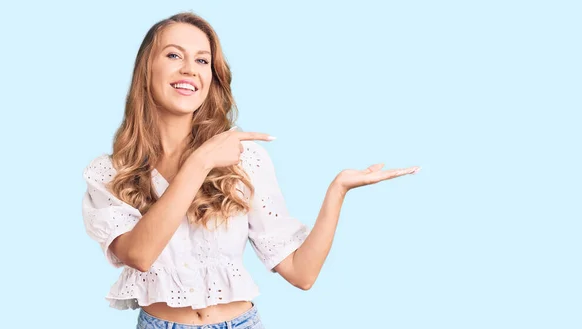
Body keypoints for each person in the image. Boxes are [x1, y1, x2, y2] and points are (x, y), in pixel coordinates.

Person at [81, 11, 420, 329]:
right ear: (146, 69)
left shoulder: (244, 161)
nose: (189, 69)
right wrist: (200, 161)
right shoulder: (111, 173)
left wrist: (338, 190)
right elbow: (138, 255)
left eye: (202, 60)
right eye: (173, 55)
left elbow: (302, 274)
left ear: (211, 78)